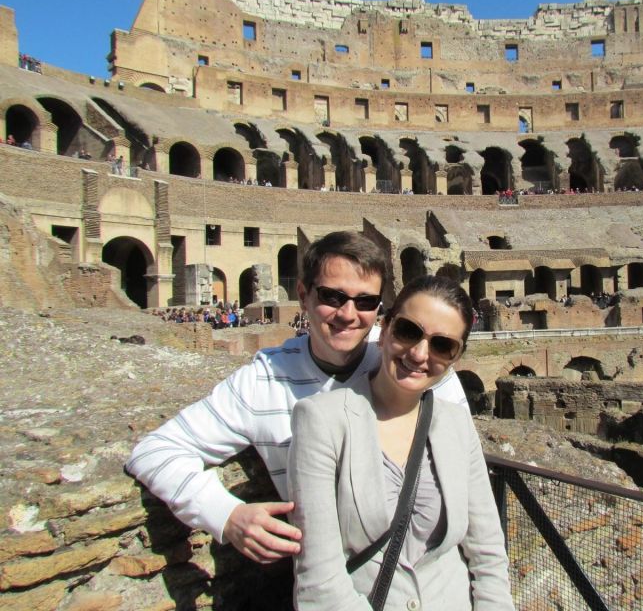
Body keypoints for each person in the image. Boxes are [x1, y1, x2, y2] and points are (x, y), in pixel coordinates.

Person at [125, 231, 468, 564]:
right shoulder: (264, 381)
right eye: (332, 297)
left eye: (365, 301)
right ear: (303, 295)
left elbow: (468, 477)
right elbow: (155, 451)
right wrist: (224, 513)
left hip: (437, 574)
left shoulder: (411, 361)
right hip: (342, 581)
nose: (348, 314)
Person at [288, 276, 514, 610]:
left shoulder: (456, 423)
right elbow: (320, 584)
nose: (420, 354)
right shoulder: (322, 421)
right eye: (409, 331)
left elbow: (489, 556)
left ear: (456, 356)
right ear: (385, 328)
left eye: (442, 345)